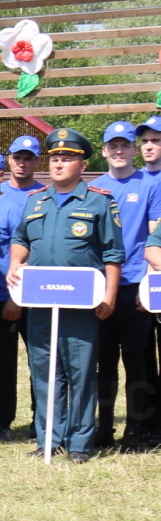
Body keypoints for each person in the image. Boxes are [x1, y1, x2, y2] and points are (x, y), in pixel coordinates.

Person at [8, 128, 122, 462]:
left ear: (82, 164)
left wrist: (110, 296)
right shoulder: (36, 200)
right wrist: (15, 263)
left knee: (81, 372)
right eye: (55, 158)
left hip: (81, 303)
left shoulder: (100, 201)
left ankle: (80, 443)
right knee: (44, 372)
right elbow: (21, 239)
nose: (58, 164)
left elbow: (113, 253)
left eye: (67, 158)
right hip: (41, 301)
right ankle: (49, 438)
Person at [92, 121, 159, 449]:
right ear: (104, 151)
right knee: (104, 360)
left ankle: (135, 430)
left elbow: (154, 236)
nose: (119, 152)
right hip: (101, 287)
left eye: (125, 146)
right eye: (112, 146)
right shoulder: (93, 187)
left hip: (134, 283)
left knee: (136, 360)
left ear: (134, 150)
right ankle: (104, 428)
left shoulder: (150, 184)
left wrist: (149, 283)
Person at [0, 145, 37, 441]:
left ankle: (1, 420)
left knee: (0, 364)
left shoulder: (14, 206)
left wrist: (15, 297)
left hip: (3, 297)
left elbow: (24, 252)